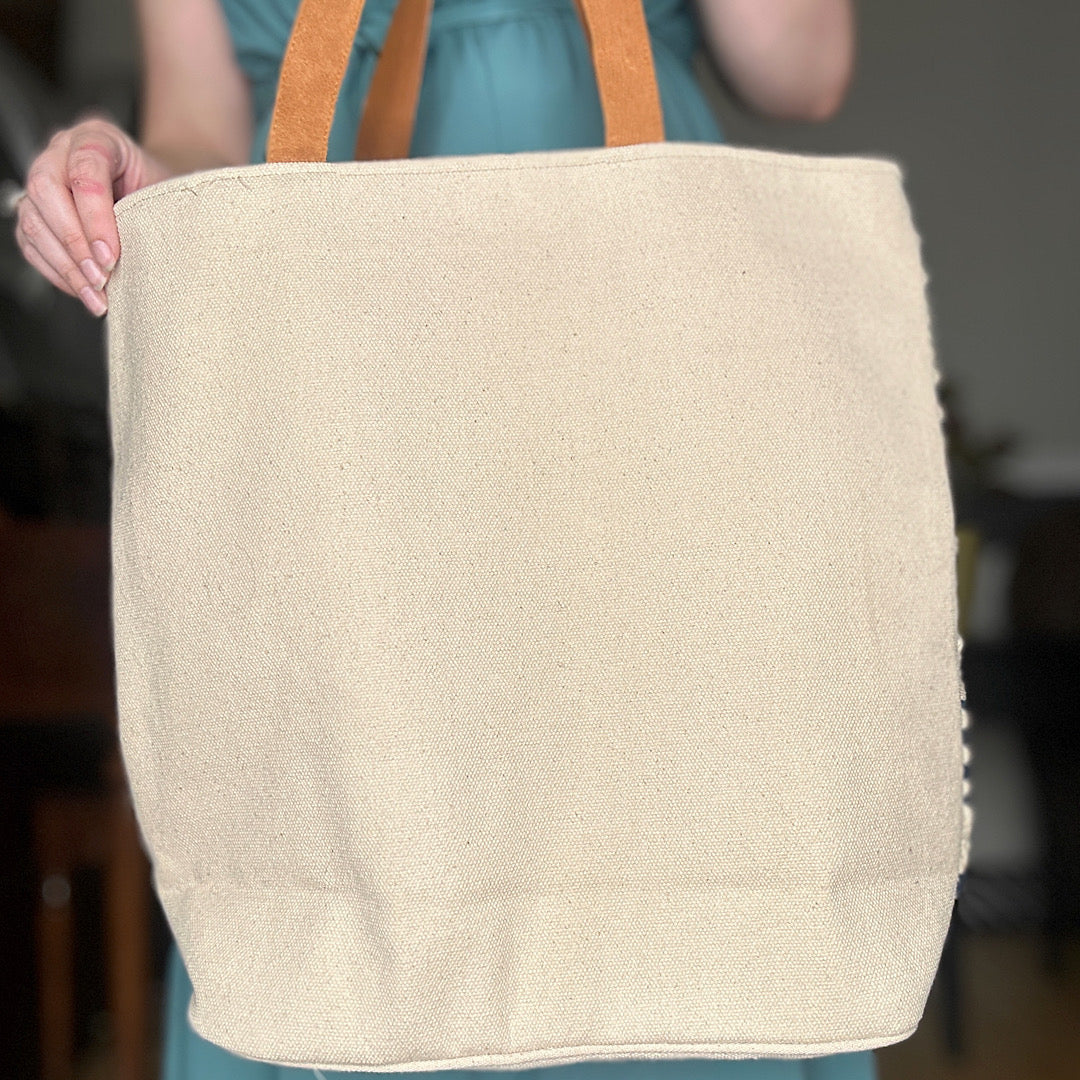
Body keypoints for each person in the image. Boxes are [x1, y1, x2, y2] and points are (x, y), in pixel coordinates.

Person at [13, 2, 867, 1078]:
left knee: (669, 794)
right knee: (356, 830)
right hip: (333, 374)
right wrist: (133, 181)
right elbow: (198, 127)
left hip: (642, 344)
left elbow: (807, 70)